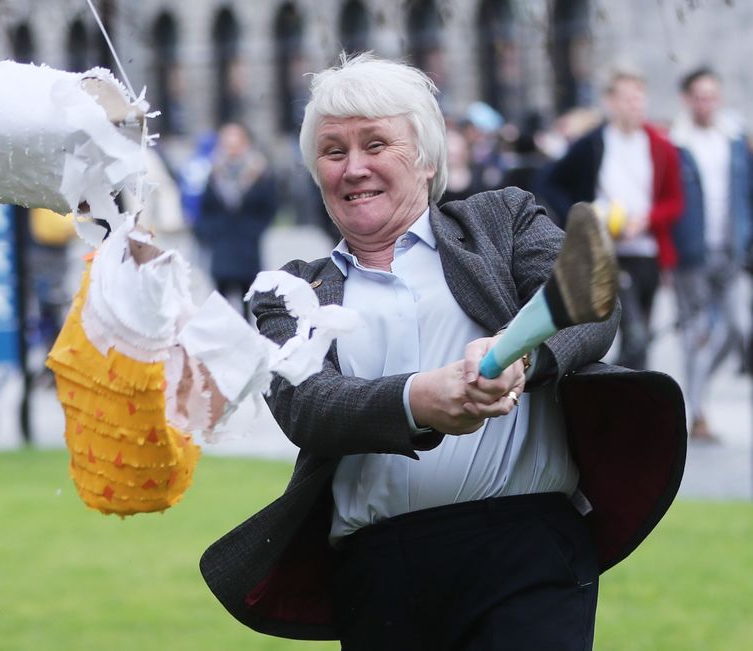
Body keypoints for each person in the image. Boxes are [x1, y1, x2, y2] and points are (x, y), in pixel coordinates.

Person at [201, 54, 686, 650]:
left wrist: (523, 360)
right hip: (379, 571)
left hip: (526, 548)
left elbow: (591, 302)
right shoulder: (292, 289)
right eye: (333, 152)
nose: (354, 168)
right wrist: (418, 399)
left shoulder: (500, 220)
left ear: (427, 158)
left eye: (376, 144)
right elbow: (307, 407)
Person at [541, 68, 684, 370]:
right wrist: (581, 217)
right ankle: (619, 389)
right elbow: (550, 182)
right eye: (627, 98)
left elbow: (674, 201)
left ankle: (632, 396)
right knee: (634, 335)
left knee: (642, 334)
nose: (636, 105)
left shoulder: (661, 147)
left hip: (647, 252)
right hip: (606, 253)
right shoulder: (592, 143)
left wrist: (647, 220)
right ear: (610, 101)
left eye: (640, 98)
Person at [669, 67, 752, 442]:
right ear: (688, 99)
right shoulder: (677, 142)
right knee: (696, 333)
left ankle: (699, 395)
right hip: (692, 254)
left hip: (729, 250)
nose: (707, 104)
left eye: (712, 96)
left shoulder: (733, 139)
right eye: (699, 96)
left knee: (739, 328)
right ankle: (697, 410)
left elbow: (745, 191)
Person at [193, 121, 278, 318]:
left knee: (249, 301)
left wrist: (254, 229)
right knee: (221, 303)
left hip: (247, 247)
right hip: (222, 246)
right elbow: (205, 209)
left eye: (236, 141)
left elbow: (269, 207)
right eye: (227, 142)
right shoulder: (214, 172)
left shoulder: (259, 171)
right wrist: (211, 232)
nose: (231, 147)